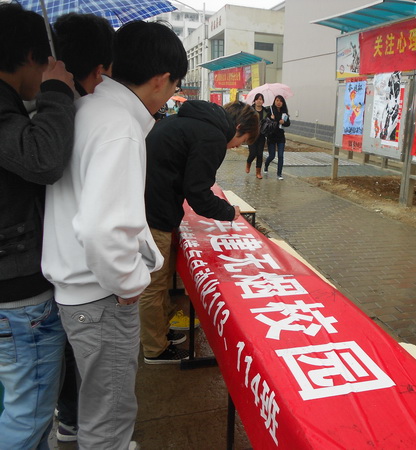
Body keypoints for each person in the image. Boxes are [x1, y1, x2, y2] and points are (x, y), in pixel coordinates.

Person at [42, 21, 187, 449]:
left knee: (97, 401)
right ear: (161, 79)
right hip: (100, 296)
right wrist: (128, 283)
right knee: (110, 413)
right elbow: (101, 228)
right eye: (174, 85)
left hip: (78, 288)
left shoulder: (86, 107)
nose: (170, 95)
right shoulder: (119, 125)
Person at [0, 4, 75, 449]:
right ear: (32, 56)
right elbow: (44, 160)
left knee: (18, 408)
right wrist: (56, 92)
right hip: (19, 298)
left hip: (15, 294)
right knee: (27, 417)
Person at [141, 100, 258, 364]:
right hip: (153, 213)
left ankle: (161, 331)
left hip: (151, 206)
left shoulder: (189, 122)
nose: (234, 147)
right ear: (238, 127)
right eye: (241, 142)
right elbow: (198, 194)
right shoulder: (212, 136)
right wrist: (229, 212)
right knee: (154, 284)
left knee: (161, 279)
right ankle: (155, 349)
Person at [52, 12, 116, 443]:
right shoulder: (103, 120)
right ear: (101, 69)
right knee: (103, 396)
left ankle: (69, 421)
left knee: (64, 374)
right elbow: (98, 227)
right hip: (87, 286)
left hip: (56, 279)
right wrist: (127, 281)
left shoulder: (52, 111)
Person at [264, 95, 290, 180]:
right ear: (274, 101)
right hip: (271, 136)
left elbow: (288, 123)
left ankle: (279, 174)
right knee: (272, 156)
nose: (279, 102)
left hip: (280, 136)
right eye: (277, 100)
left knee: (280, 156)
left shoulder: (284, 112)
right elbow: (266, 122)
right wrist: (271, 118)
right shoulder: (270, 110)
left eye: (280, 101)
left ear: (283, 103)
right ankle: (266, 165)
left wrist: (284, 122)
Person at [246, 93, 269, 179]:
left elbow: (269, 122)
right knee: (253, 153)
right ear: (255, 101)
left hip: (261, 135)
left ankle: (258, 172)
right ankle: (248, 163)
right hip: (252, 135)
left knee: (259, 154)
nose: (259, 101)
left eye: (261, 99)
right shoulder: (250, 110)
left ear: (263, 101)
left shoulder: (266, 111)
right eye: (257, 99)